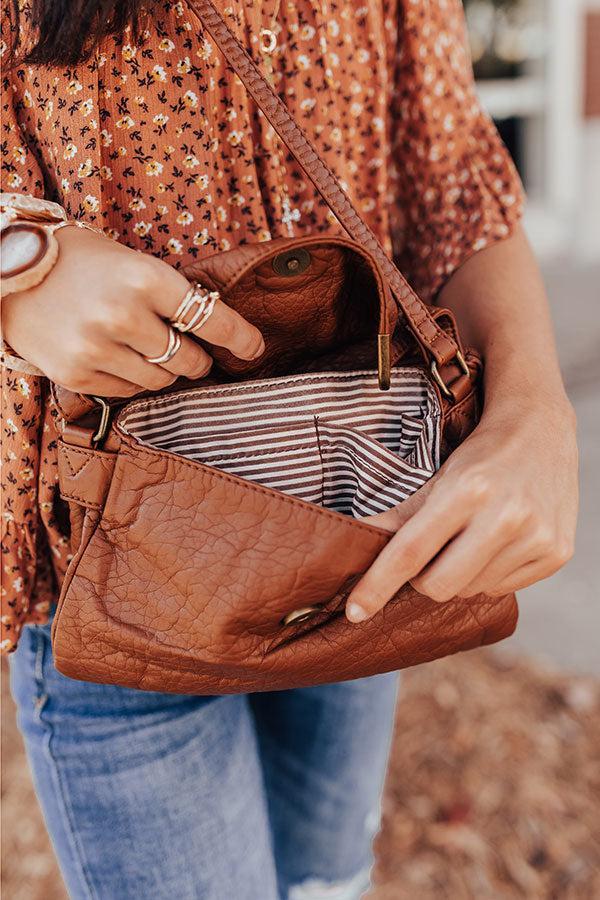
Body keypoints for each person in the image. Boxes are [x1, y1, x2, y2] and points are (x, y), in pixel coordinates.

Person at [0, 2, 577, 898]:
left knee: (327, 883)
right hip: (125, 562)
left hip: (368, 517)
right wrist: (18, 267)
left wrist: (539, 414)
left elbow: (453, 180)